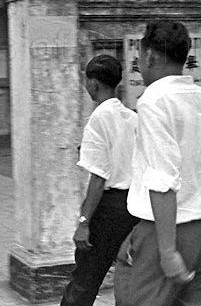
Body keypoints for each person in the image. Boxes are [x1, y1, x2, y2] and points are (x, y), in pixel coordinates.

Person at [114, 20, 201, 306]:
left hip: (165, 232)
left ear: (150, 57)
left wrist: (168, 251)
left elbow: (162, 179)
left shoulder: (154, 100)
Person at [60, 54, 139, 306]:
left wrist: (84, 222)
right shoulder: (132, 117)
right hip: (133, 206)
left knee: (85, 280)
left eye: (87, 82)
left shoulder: (98, 118)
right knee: (132, 277)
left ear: (93, 84)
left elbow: (98, 179)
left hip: (108, 209)